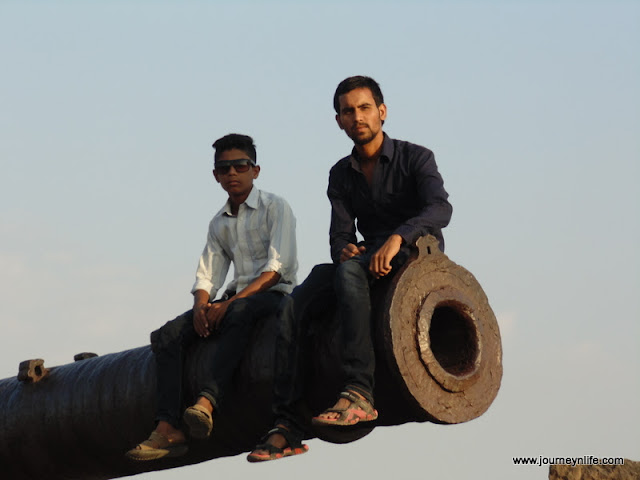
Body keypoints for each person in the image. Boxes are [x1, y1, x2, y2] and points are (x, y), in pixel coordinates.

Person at [247, 76, 452, 462]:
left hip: (413, 256)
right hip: (365, 257)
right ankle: (287, 423)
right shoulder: (340, 174)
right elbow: (340, 235)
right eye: (347, 111)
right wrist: (344, 249)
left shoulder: (416, 157)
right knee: (296, 302)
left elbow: (440, 208)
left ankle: (359, 391)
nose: (357, 117)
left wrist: (398, 238)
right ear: (339, 121)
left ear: (382, 112)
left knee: (350, 273)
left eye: (364, 108)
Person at [126, 133, 298, 461]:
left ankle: (207, 400)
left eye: (240, 166)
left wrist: (229, 304)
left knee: (238, 313)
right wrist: (201, 307)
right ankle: (167, 427)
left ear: (255, 170)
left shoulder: (276, 207)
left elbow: (276, 269)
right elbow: (209, 273)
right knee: (168, 335)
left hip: (274, 296)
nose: (233, 173)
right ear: (216, 175)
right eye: (225, 168)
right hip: (237, 299)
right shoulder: (219, 222)